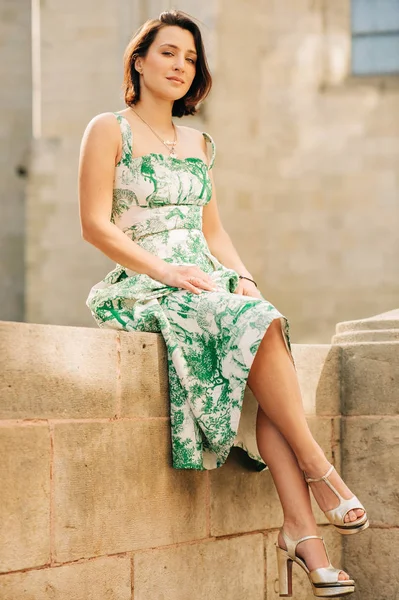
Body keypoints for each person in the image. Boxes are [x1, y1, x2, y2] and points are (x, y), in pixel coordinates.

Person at [78, 9, 368, 597]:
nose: (180, 66)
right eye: (168, 53)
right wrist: (166, 270)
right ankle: (321, 474)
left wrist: (246, 278)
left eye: (190, 58)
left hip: (210, 281)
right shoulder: (109, 129)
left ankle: (302, 536)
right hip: (145, 279)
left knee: (264, 326)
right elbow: (93, 226)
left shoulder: (200, 143)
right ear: (138, 59)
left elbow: (215, 233)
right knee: (257, 328)